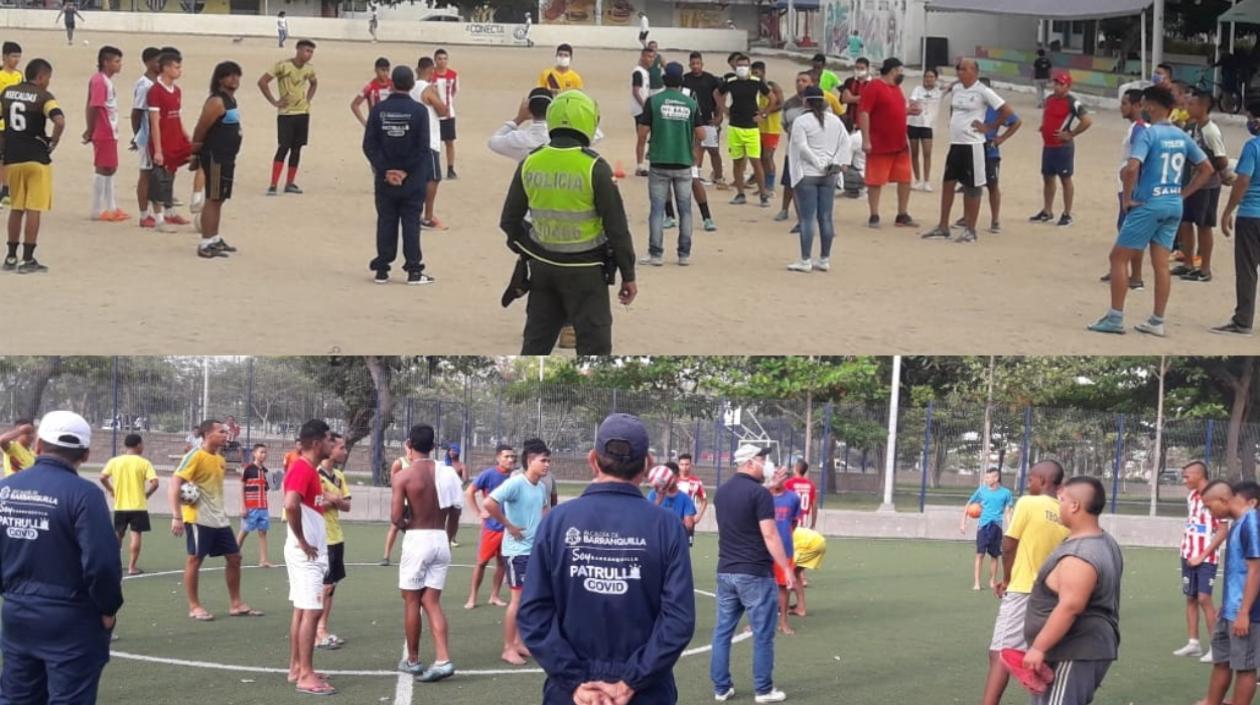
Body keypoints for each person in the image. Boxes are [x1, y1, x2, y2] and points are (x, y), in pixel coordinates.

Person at [518, 413, 695, 705]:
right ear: (648, 464)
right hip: (644, 691)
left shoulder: (557, 522)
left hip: (573, 693)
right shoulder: (666, 526)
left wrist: (575, 681)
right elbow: (678, 620)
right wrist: (630, 682)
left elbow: (533, 613)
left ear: (592, 459)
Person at [499, 89, 637, 355]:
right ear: (588, 121)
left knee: (536, 344)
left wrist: (529, 249)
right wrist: (628, 275)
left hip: (543, 269)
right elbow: (617, 229)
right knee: (594, 348)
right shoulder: (595, 166)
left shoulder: (531, 161)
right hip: (587, 271)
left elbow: (509, 221)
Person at [0, 410, 122, 705]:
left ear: (38, 446)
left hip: (17, 613)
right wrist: (108, 608)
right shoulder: (84, 494)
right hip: (71, 616)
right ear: (85, 453)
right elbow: (102, 562)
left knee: (17, 697)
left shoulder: (5, 489)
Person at [1088, 85, 1214, 336]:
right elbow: (1207, 168)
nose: (1143, 108)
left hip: (1149, 203)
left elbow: (1132, 168)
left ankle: (1115, 317)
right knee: (1160, 264)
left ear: (1153, 105)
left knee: (1118, 258)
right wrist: (1183, 194)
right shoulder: (1182, 135)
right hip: (1172, 204)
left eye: (1145, 103)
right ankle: (1157, 320)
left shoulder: (1149, 134)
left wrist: (1127, 197)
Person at [1021, 477, 1124, 705]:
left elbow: (1070, 606)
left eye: (1062, 499)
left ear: (1075, 505)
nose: (1059, 505)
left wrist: (1039, 647)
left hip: (1074, 651)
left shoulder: (1081, 554)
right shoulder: (1103, 540)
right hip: (1074, 650)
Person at [710, 444, 797, 703]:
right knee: (763, 634)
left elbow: (744, 504)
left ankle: (721, 688)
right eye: (762, 458)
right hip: (755, 573)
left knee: (722, 631)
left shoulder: (722, 493)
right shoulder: (759, 495)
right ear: (750, 462)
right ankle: (763, 689)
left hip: (726, 571)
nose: (766, 463)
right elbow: (770, 534)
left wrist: (768, 486)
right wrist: (786, 568)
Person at [980, 460, 1068, 705]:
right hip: (1052, 596)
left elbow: (1008, 545)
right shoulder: (1065, 512)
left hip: (1023, 590)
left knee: (999, 652)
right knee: (1041, 651)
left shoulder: (1028, 503)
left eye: (1030, 479)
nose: (1028, 484)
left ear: (1042, 481)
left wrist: (1006, 579)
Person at [169, 419, 262, 621]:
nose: (226, 434)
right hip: (197, 518)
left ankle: (236, 603)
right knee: (195, 559)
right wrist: (177, 515)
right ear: (207, 434)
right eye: (221, 431)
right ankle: (194, 606)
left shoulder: (220, 459)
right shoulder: (194, 455)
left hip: (219, 518)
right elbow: (175, 483)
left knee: (235, 557)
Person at [394, 423, 461, 682]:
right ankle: (443, 659)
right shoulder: (448, 473)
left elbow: (396, 517)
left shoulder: (404, 476)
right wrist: (449, 535)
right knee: (431, 602)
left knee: (412, 601)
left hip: (417, 538)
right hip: (440, 538)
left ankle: (412, 660)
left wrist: (407, 529)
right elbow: (456, 511)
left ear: (409, 446)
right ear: (433, 447)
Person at [920, 59, 1012, 244]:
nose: (959, 72)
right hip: (956, 144)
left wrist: (989, 126)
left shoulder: (983, 91)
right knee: (948, 183)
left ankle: (971, 230)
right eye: (958, 69)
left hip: (973, 145)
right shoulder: (958, 89)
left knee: (972, 187)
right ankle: (943, 226)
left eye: (963, 69)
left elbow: (1007, 110)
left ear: (974, 71)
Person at [484, 437, 551, 665]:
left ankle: (520, 643)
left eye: (548, 461)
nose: (547, 465)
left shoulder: (540, 486)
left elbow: (542, 511)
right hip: (516, 552)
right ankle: (507, 648)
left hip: (533, 550)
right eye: (544, 460)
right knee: (517, 600)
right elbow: (489, 503)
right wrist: (509, 525)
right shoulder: (515, 483)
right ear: (530, 461)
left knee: (528, 600)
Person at [364, 65, 431, 285]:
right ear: (412, 85)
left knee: (386, 221)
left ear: (392, 83)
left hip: (385, 178)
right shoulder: (420, 111)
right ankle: (413, 270)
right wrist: (404, 171)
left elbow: (369, 145)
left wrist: (385, 169)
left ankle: (382, 268)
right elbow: (423, 148)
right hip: (412, 178)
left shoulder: (378, 109)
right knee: (411, 223)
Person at [1198, 480, 1260, 705]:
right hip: (1230, 611)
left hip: (1247, 613)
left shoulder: (1251, 522)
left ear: (1224, 500)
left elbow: (1255, 570)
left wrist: (1244, 612)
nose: (1208, 511)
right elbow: (1237, 571)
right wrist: (1226, 607)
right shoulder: (1237, 524)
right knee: (1221, 661)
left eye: (1208, 505)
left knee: (1244, 667)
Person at [283, 419, 334, 696]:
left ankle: (297, 668)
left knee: (303, 610)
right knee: (313, 611)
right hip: (306, 554)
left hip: (305, 552)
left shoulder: (308, 469)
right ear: (316, 443)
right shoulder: (302, 468)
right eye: (328, 440)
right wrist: (303, 540)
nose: (332, 444)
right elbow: (290, 504)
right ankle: (305, 675)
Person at [1, 59, 64, 275]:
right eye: (48, 78)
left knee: (16, 208)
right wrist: (52, 142)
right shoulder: (43, 96)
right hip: (36, 158)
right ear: (41, 77)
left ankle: (10, 256)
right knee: (34, 209)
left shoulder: (8, 93)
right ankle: (27, 258)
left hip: (13, 158)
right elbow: (59, 121)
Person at [639, 61, 701, 268]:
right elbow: (701, 133)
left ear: (665, 80)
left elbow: (643, 131)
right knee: (685, 209)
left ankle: (655, 253)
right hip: (683, 161)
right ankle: (684, 253)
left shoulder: (654, 101)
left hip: (659, 160)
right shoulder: (690, 103)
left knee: (657, 209)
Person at [787, 85, 848, 273]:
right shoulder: (835, 121)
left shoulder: (801, 121)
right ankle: (824, 258)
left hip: (808, 173)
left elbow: (802, 147)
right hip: (829, 174)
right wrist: (834, 163)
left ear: (805, 101)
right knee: (826, 218)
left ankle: (805, 260)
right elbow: (845, 142)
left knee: (807, 219)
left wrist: (817, 163)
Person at [1174, 88, 1229, 283]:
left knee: (1204, 225)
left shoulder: (1210, 131)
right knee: (1186, 222)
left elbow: (1221, 160)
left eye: (1192, 104)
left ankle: (1205, 268)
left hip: (1207, 185)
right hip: (1191, 182)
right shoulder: (1191, 127)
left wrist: (1212, 170)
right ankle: (1189, 263)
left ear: (1204, 107)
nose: (1187, 107)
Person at [188, 60, 242, 259]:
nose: (234, 79)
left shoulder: (230, 100)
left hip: (227, 156)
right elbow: (201, 128)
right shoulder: (217, 102)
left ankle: (214, 237)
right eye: (229, 75)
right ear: (220, 79)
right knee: (213, 198)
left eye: (237, 75)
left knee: (220, 198)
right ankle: (206, 241)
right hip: (216, 156)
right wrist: (195, 153)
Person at [1176, 461, 1227, 662]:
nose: (1185, 480)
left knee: (1204, 598)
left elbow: (1223, 530)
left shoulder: (1215, 496)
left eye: (1187, 476)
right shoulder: (1192, 496)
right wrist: (1189, 551)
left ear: (1198, 475)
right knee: (1190, 597)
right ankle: (1193, 644)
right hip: (1188, 554)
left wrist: (1203, 555)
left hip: (1206, 557)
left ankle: (1216, 648)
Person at [1217, 99, 1260, 336]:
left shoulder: (1253, 147)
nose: (1248, 123)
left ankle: (1243, 320)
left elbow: (1242, 181)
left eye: (1249, 118)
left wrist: (1227, 211)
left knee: (1247, 270)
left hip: (1252, 214)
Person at [1028, 72, 1092, 228]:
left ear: (1068, 87)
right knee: (1048, 178)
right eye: (1055, 83)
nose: (1056, 86)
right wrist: (1045, 126)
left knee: (1065, 179)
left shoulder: (1073, 103)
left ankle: (1067, 214)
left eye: (1060, 84)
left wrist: (1071, 134)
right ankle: (1047, 211)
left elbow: (1087, 120)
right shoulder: (1049, 99)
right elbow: (1049, 115)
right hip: (1048, 146)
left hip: (1062, 147)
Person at [859, 57, 917, 229]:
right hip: (879, 143)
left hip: (899, 143)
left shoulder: (897, 89)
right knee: (875, 180)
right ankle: (874, 214)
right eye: (900, 70)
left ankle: (902, 214)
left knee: (905, 178)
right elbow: (864, 112)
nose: (902, 74)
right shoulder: (875, 86)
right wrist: (866, 140)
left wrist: (908, 111)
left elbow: (894, 111)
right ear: (893, 70)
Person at [1101, 88, 1149, 291]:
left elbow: (1137, 161)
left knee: (1131, 231)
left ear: (1138, 105)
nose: (1122, 107)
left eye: (1125, 103)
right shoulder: (1135, 128)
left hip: (1132, 189)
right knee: (1124, 230)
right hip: (1127, 187)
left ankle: (1135, 276)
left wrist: (1130, 184)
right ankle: (1120, 269)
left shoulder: (1139, 129)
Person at [259, 39, 317, 196]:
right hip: (286, 114)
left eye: (311, 52)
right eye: (306, 51)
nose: (309, 55)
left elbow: (314, 83)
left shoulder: (309, 69)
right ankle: (273, 184)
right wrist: (274, 101)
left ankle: (290, 183)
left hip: (303, 113)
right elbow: (263, 82)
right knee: (283, 147)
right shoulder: (282, 66)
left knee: (297, 148)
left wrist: (308, 100)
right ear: (298, 50)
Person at [146, 51, 192, 235]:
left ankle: (172, 209)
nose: (179, 70)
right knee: (160, 178)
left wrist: (186, 135)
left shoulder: (177, 90)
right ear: (165, 68)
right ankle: (159, 219)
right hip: (162, 141)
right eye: (176, 67)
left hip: (176, 139)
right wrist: (157, 150)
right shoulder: (155, 91)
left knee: (172, 174)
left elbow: (177, 116)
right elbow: (155, 121)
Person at [100, 432, 158, 576]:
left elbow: (102, 477)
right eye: (142, 444)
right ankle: (132, 567)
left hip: (120, 506)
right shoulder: (144, 463)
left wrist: (111, 490)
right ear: (138, 445)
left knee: (118, 535)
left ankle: (114, 563)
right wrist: (147, 494)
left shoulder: (115, 461)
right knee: (136, 535)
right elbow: (155, 483)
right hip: (138, 506)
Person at [717, 55, 772, 207]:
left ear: (749, 66)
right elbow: (717, 94)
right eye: (739, 65)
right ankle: (740, 194)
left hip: (751, 128)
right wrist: (724, 109)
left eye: (745, 65)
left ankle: (763, 194)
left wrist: (764, 114)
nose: (742, 68)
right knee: (737, 162)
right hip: (735, 126)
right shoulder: (730, 82)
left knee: (756, 162)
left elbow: (772, 98)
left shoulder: (756, 82)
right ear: (735, 66)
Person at [464, 443, 515, 609]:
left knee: (502, 563)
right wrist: (478, 513)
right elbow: (469, 491)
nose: (510, 459)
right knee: (481, 563)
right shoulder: (488, 474)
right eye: (507, 456)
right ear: (498, 458)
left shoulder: (515, 477)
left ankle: (494, 595)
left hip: (507, 529)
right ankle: (472, 597)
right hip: (491, 528)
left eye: (512, 457)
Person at [85, 46, 127, 223]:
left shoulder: (104, 81)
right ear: (106, 62)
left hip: (109, 128)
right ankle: (97, 209)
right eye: (116, 61)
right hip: (104, 129)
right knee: (103, 167)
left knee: (110, 167)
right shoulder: (100, 81)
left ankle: (110, 206)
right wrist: (91, 129)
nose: (120, 65)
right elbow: (94, 106)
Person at [974, 84, 1020, 234]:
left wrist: (1002, 138)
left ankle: (995, 219)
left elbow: (1016, 122)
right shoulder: (972, 105)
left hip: (989, 150)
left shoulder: (996, 109)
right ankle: (968, 216)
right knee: (971, 185)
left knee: (992, 185)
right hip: (973, 147)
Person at [961, 467, 1014, 592]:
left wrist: (1010, 528)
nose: (986, 479)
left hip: (997, 526)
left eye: (988, 477)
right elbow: (968, 504)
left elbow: (1008, 511)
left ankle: (992, 581)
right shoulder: (981, 491)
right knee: (980, 554)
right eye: (986, 477)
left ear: (996, 478)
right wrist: (963, 523)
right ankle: (977, 583)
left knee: (995, 556)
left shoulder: (1006, 493)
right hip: (983, 527)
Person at [411, 57, 449, 230]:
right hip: (429, 139)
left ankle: (412, 212)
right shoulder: (427, 89)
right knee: (433, 177)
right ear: (431, 70)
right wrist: (438, 94)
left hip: (414, 138)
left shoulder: (410, 87)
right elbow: (443, 111)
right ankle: (427, 216)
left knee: (416, 178)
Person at [683, 52, 724, 188]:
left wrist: (719, 116)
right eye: (693, 64)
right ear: (689, 65)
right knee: (696, 148)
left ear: (702, 64)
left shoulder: (711, 79)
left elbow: (718, 99)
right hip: (691, 120)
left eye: (698, 64)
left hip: (708, 120)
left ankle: (719, 176)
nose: (695, 66)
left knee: (714, 150)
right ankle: (696, 175)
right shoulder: (685, 79)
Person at [768, 467, 801, 636]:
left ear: (787, 478)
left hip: (784, 549)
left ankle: (783, 622)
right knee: (760, 587)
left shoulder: (793, 498)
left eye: (781, 474)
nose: (778, 477)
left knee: (784, 587)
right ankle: (755, 622)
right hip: (763, 549)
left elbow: (794, 523)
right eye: (775, 474)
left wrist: (783, 537)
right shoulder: (764, 496)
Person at [131, 46, 160, 228]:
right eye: (157, 61)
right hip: (146, 135)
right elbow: (136, 112)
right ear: (148, 62)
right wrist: (137, 136)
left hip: (156, 135)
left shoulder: (157, 83)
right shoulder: (144, 85)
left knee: (156, 174)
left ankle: (157, 211)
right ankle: (143, 214)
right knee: (146, 174)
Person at [487, 88, 550, 162]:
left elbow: (493, 142)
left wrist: (519, 119)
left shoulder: (518, 139)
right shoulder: (559, 137)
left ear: (528, 109)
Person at [237, 443, 274, 568]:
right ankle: (233, 554)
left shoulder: (266, 471)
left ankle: (263, 560)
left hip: (263, 506)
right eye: (261, 452)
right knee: (244, 530)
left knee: (263, 532)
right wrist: (243, 506)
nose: (263, 454)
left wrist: (274, 484)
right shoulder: (248, 469)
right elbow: (242, 486)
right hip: (250, 506)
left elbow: (267, 488)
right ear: (254, 453)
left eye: (265, 452)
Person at [752, 61, 785, 193]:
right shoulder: (753, 87)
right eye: (752, 73)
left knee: (767, 156)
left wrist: (765, 112)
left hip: (771, 128)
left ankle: (770, 185)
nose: (754, 75)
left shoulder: (772, 86)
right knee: (759, 157)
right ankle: (763, 185)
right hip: (758, 127)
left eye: (757, 73)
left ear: (763, 72)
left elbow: (781, 104)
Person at [907, 67, 942, 191]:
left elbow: (952, 86)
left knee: (927, 153)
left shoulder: (938, 91)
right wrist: (914, 105)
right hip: (914, 124)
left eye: (931, 77)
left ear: (936, 79)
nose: (928, 79)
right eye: (927, 76)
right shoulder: (918, 89)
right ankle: (917, 179)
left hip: (928, 125)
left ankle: (926, 181)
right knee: (915, 153)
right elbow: (912, 100)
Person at [0, 42, 23, 207]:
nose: (16, 60)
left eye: (18, 56)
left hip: (12, 123)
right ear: (4, 57)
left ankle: (6, 189)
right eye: (13, 56)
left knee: (8, 158)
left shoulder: (19, 76)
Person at [647, 464, 698, 535]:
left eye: (670, 477)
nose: (667, 479)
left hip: (676, 539)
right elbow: (647, 518)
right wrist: (658, 500)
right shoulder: (653, 494)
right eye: (664, 477)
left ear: (677, 477)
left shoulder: (685, 498)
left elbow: (688, 525)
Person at [630, 46, 656, 176]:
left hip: (644, 109)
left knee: (648, 137)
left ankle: (647, 163)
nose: (650, 59)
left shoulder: (645, 72)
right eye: (648, 56)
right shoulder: (638, 72)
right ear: (642, 56)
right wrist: (644, 106)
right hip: (640, 110)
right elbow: (636, 91)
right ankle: (640, 166)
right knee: (642, 137)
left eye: (652, 57)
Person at [433, 48, 458, 180]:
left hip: (448, 114)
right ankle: (434, 167)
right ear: (435, 60)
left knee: (449, 142)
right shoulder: (431, 75)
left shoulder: (453, 75)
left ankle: (450, 168)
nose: (442, 61)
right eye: (439, 59)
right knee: (433, 142)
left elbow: (454, 91)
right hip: (434, 114)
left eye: (445, 59)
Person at [676, 453, 707, 545]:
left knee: (686, 547)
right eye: (682, 464)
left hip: (688, 520)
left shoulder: (696, 482)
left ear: (691, 465)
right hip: (673, 518)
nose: (684, 467)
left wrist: (698, 516)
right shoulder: (673, 480)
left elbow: (704, 501)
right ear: (678, 465)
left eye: (687, 464)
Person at [351, 57, 392, 127]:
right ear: (376, 70)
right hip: (376, 124)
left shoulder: (393, 85)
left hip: (391, 123)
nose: (385, 73)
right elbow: (354, 105)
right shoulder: (370, 87)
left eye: (387, 70)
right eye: (382, 70)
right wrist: (364, 123)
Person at [783, 460, 818, 530]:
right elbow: (814, 506)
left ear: (796, 468)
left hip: (791, 524)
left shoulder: (788, 483)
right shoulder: (811, 485)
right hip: (803, 526)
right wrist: (813, 524)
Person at [839, 57, 869, 132]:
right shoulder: (849, 81)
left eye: (862, 68)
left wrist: (852, 98)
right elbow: (845, 99)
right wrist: (863, 98)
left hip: (867, 123)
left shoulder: (873, 84)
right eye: (857, 68)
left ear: (867, 69)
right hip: (850, 121)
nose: (859, 70)